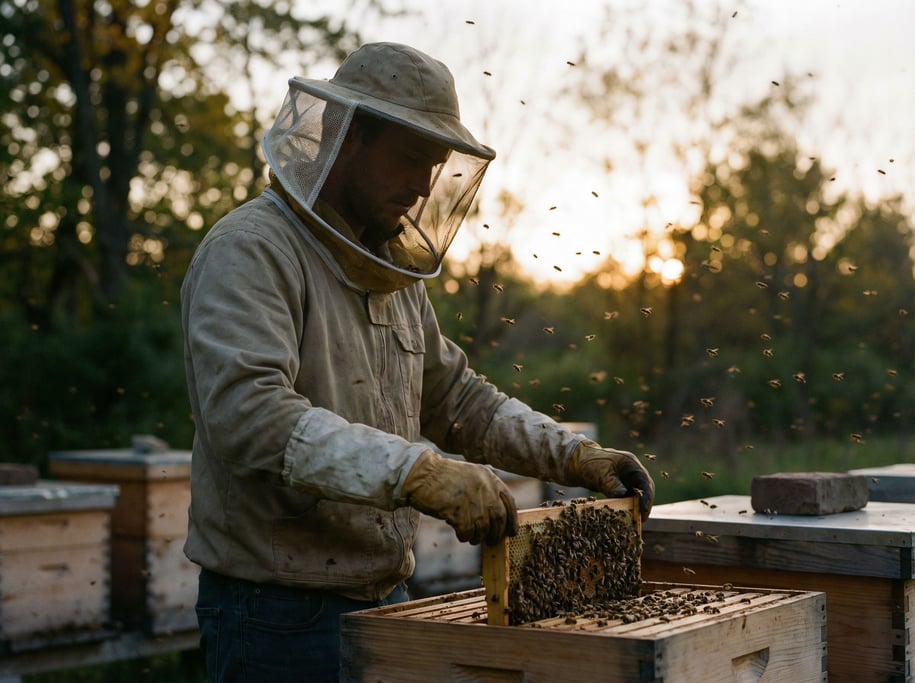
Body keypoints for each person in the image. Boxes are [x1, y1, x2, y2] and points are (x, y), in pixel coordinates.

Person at [180, 41, 655, 683]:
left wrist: (570, 456)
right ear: (346, 139)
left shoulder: (391, 273)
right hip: (275, 615)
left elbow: (458, 400)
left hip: (386, 598)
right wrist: (419, 473)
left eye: (434, 166)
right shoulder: (251, 253)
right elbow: (249, 416)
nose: (423, 186)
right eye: (409, 159)